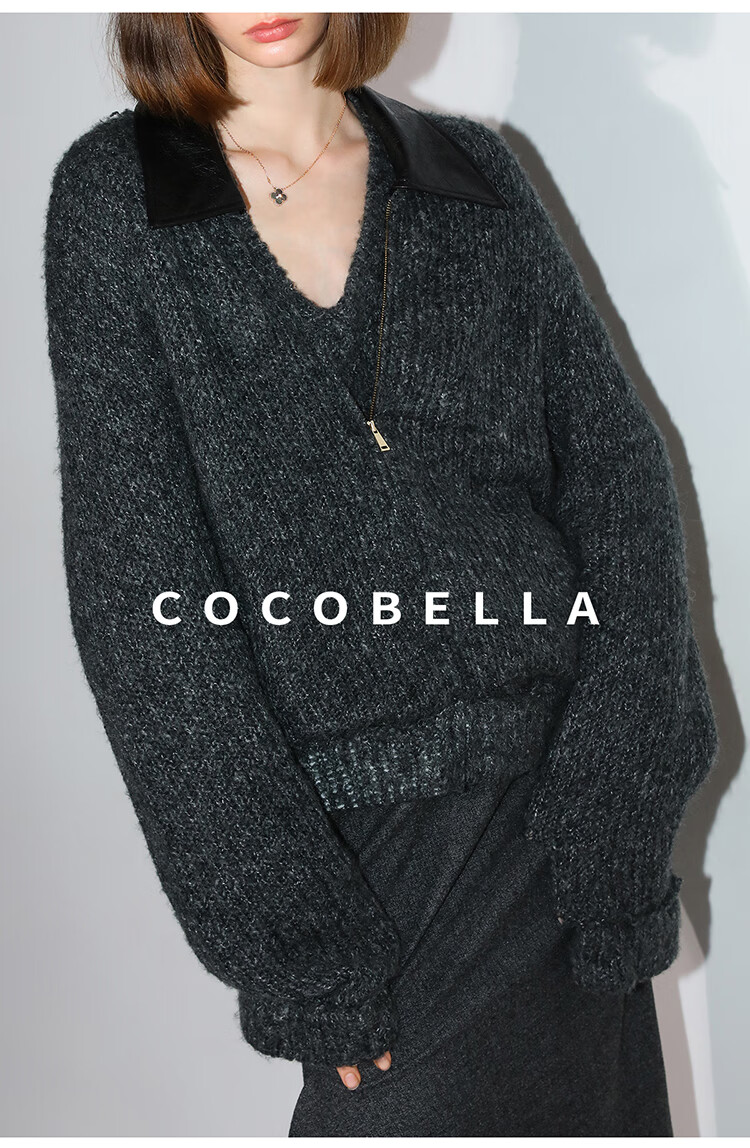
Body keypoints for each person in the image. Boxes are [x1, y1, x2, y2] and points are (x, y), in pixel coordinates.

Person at [43, 11, 719, 1137]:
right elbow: (138, 597)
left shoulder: (469, 172)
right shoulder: (122, 198)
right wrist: (299, 943)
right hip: (364, 862)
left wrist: (616, 799)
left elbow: (618, 481)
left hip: (560, 833)